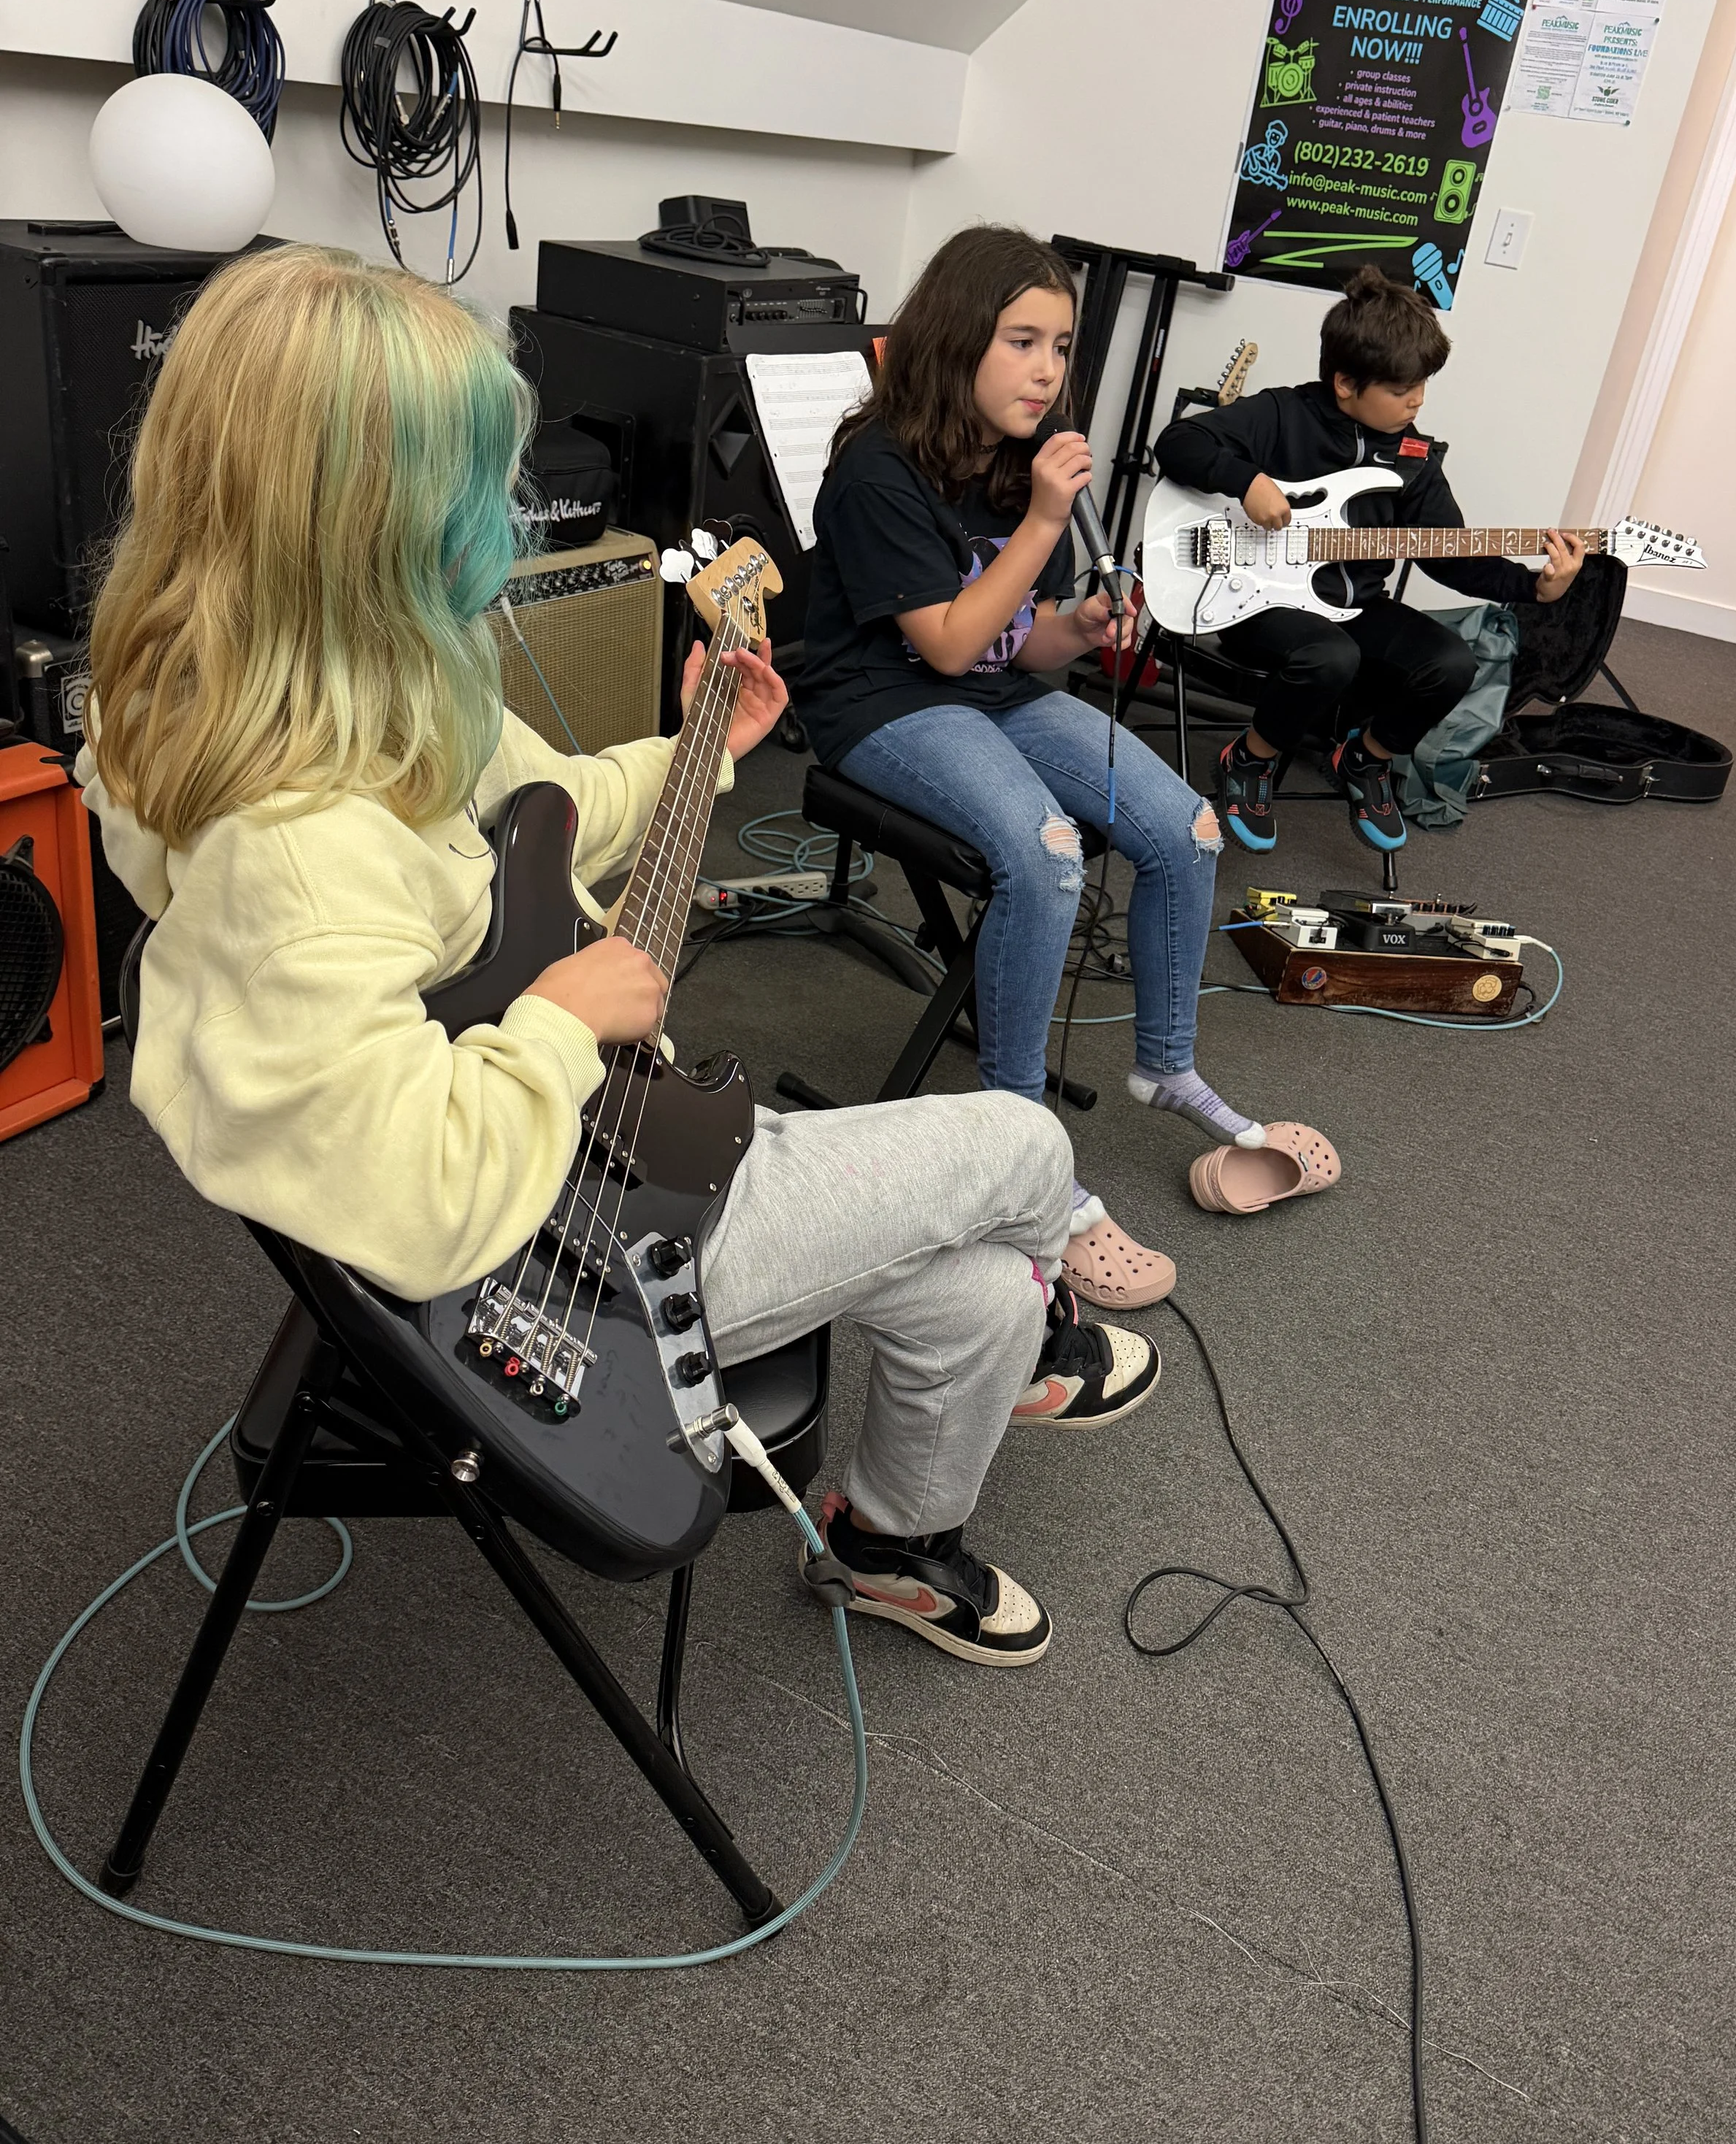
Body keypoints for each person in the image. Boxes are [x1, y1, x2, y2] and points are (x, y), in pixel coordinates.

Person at [78, 243, 1165, 1673]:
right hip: (566, 1243)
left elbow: (543, 808)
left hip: (588, 1132)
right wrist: (550, 1021)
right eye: (476, 485)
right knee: (1021, 1149)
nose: (508, 514)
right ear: (359, 520)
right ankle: (1045, 1328)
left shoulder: (365, 681)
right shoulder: (293, 842)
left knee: (962, 1290)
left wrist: (696, 747)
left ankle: (894, 1538)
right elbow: (416, 1194)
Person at [792, 226, 1329, 1313]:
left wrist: (1079, 628)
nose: (1049, 369)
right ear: (956, 340)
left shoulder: (1001, 455)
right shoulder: (876, 470)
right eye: (1023, 341)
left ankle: (1167, 1066)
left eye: (1062, 346)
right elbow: (942, 642)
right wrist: (1046, 519)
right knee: (1043, 858)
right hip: (878, 705)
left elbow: (1008, 643)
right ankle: (1018, 1149)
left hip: (988, 692)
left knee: (1188, 830)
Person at [1153, 266, 1585, 856]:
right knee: (1331, 655)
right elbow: (1178, 444)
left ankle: (1367, 756)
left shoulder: (1414, 457)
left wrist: (1534, 586)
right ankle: (1249, 759)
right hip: (1255, 600)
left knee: (1452, 662)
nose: (1418, 399)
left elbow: (1449, 553)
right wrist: (1246, 479)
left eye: (1424, 384)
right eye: (1402, 388)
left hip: (1354, 605)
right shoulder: (1282, 414)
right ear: (1346, 382)